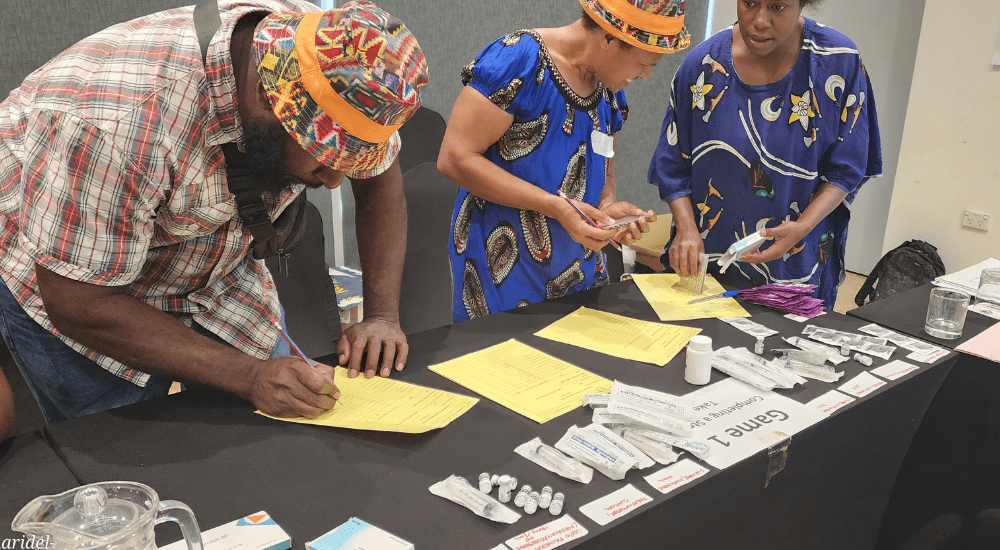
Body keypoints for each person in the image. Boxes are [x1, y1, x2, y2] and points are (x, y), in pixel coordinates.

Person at [0, 0, 428, 422]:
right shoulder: (111, 125)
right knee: (134, 455)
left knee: (287, 418)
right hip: (74, 274)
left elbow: (377, 184)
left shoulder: (335, 55)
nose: (335, 181)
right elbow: (78, 302)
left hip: (210, 261)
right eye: (324, 155)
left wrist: (382, 316)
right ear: (268, 98)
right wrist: (249, 376)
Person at [438, 0, 690, 321]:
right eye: (644, 63)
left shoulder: (610, 91)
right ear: (609, 36)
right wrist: (555, 206)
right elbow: (454, 158)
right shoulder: (521, 62)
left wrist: (606, 210)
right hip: (502, 270)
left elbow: (605, 173)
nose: (645, 76)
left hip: (577, 273)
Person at [649, 0, 881, 309]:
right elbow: (673, 164)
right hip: (707, 262)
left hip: (795, 265)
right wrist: (687, 229)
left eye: (777, 7)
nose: (760, 20)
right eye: (749, 3)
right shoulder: (701, 66)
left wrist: (803, 226)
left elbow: (848, 166)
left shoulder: (838, 61)